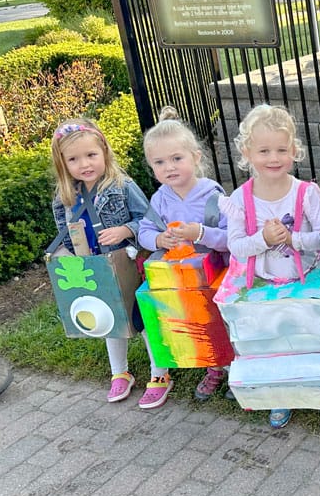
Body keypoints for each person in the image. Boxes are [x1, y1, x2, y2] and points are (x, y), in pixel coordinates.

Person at [220, 103, 320, 428]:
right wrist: (262, 239)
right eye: (264, 151)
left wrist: (293, 239)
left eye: (281, 150)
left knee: (313, 339)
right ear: (247, 153)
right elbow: (236, 247)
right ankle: (280, 395)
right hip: (263, 284)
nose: (273, 158)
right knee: (270, 342)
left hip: (304, 280)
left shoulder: (305, 193)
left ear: (293, 151)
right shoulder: (240, 199)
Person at [49, 119, 173, 409]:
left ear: (104, 151)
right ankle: (120, 372)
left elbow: (149, 220)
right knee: (108, 320)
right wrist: (72, 256)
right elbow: (63, 232)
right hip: (94, 268)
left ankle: (160, 374)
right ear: (62, 163)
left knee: (143, 319)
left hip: (128, 264)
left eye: (91, 155)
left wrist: (125, 230)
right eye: (73, 159)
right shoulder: (65, 196)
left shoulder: (122, 186)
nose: (84, 164)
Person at [137, 106, 231, 402]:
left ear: (196, 157)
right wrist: (158, 239)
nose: (170, 167)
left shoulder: (213, 195)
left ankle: (234, 366)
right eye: (160, 162)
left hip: (216, 272)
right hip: (182, 278)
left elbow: (231, 238)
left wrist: (200, 233)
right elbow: (143, 231)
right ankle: (213, 366)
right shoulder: (159, 199)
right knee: (198, 319)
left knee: (221, 319)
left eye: (177, 158)